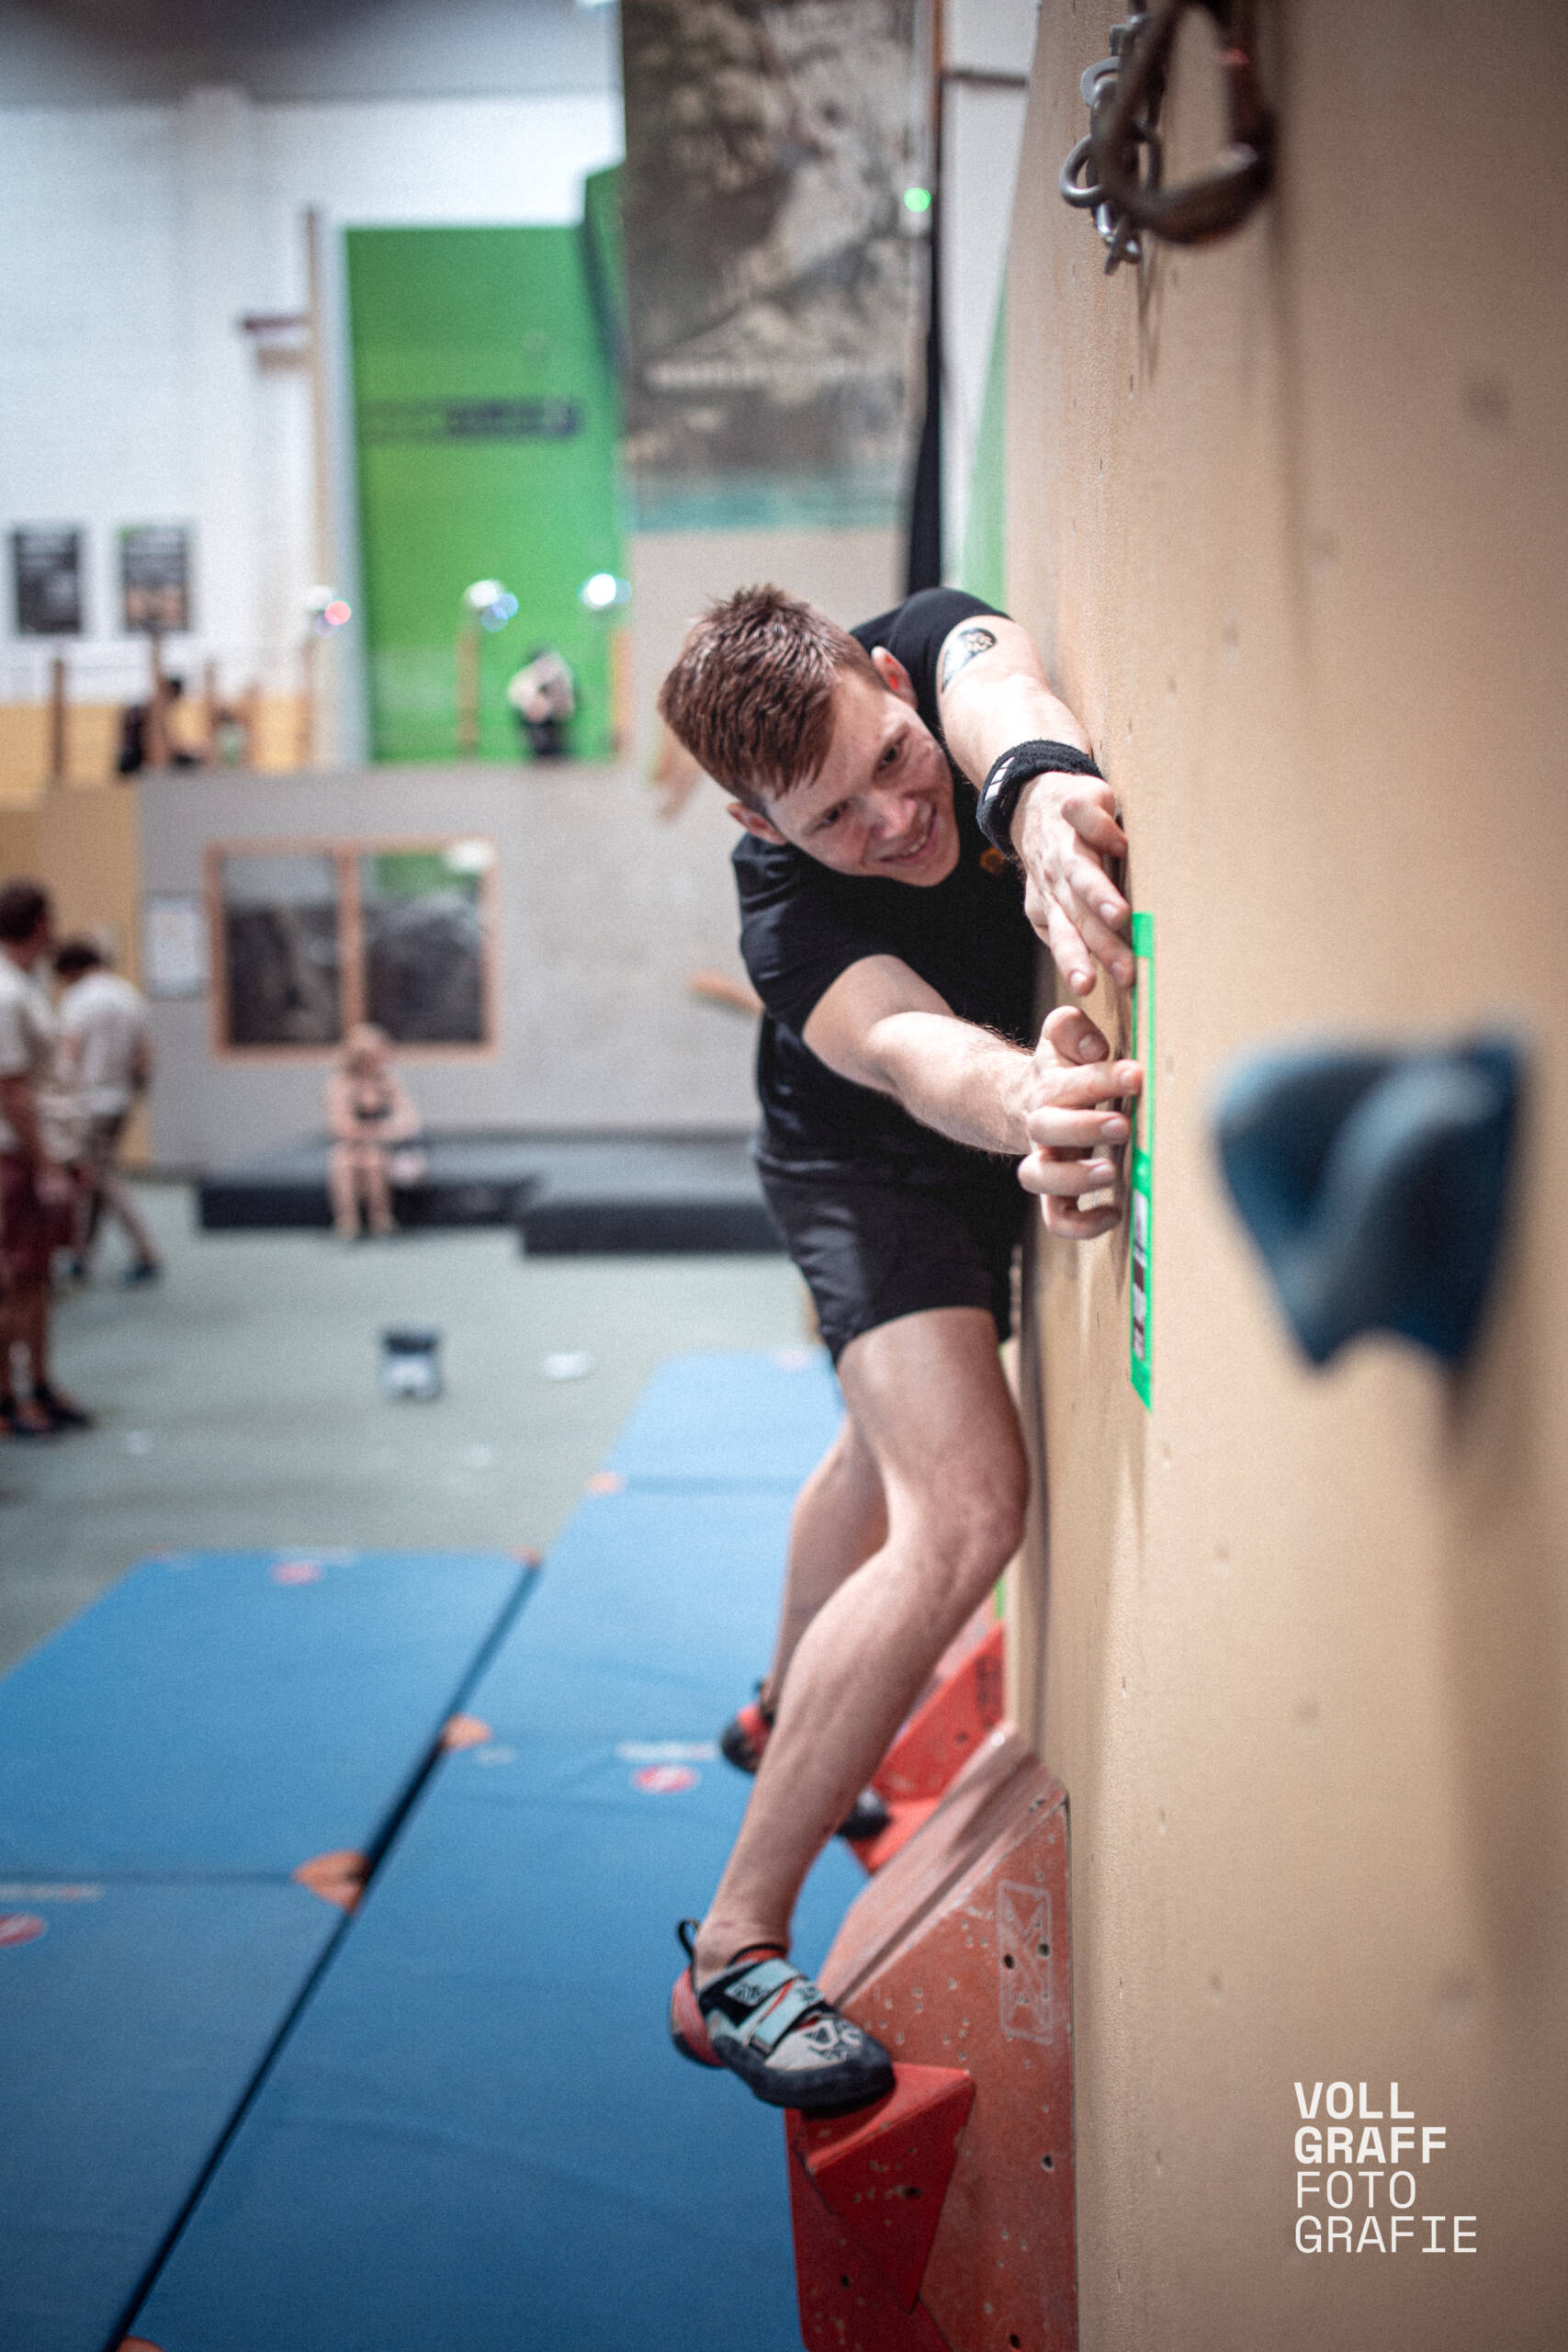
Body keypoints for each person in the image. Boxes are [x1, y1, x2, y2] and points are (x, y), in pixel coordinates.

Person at [655, 584, 1139, 2111]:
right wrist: (1032, 1108)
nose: (890, 818)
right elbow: (907, 1053)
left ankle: (781, 1706)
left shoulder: (936, 653)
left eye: (888, 758)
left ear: (884, 675)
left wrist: (1041, 795)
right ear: (756, 821)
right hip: (862, 1169)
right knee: (965, 1504)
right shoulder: (784, 920)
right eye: (829, 816)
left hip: (970, 1135)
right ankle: (729, 1954)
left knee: (880, 1448)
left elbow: (1001, 699)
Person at [0, 880, 91, 1435]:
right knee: (15, 1278)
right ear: (39, 923)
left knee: (37, 1276)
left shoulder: (26, 986)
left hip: (41, 1150)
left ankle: (38, 1382)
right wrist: (46, 1164)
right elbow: (10, 1090)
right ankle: (7, 1398)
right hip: (19, 1155)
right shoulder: (7, 993)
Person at [53, 938, 161, 1283]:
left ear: (71, 970)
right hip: (119, 1100)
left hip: (88, 1102)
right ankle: (81, 1253)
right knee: (95, 1177)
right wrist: (133, 1090)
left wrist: (57, 1100)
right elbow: (144, 1055)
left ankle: (146, 1252)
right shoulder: (129, 995)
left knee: (104, 1177)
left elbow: (69, 1052)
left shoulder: (79, 998)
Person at [324, 1023, 422, 1239]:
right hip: (352, 1146)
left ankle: (380, 1217)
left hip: (386, 1147)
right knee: (343, 1161)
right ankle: (347, 1220)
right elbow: (340, 1126)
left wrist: (378, 1133)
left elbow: (408, 1121)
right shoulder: (340, 1084)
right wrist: (376, 1131)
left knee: (374, 1160)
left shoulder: (387, 1081)